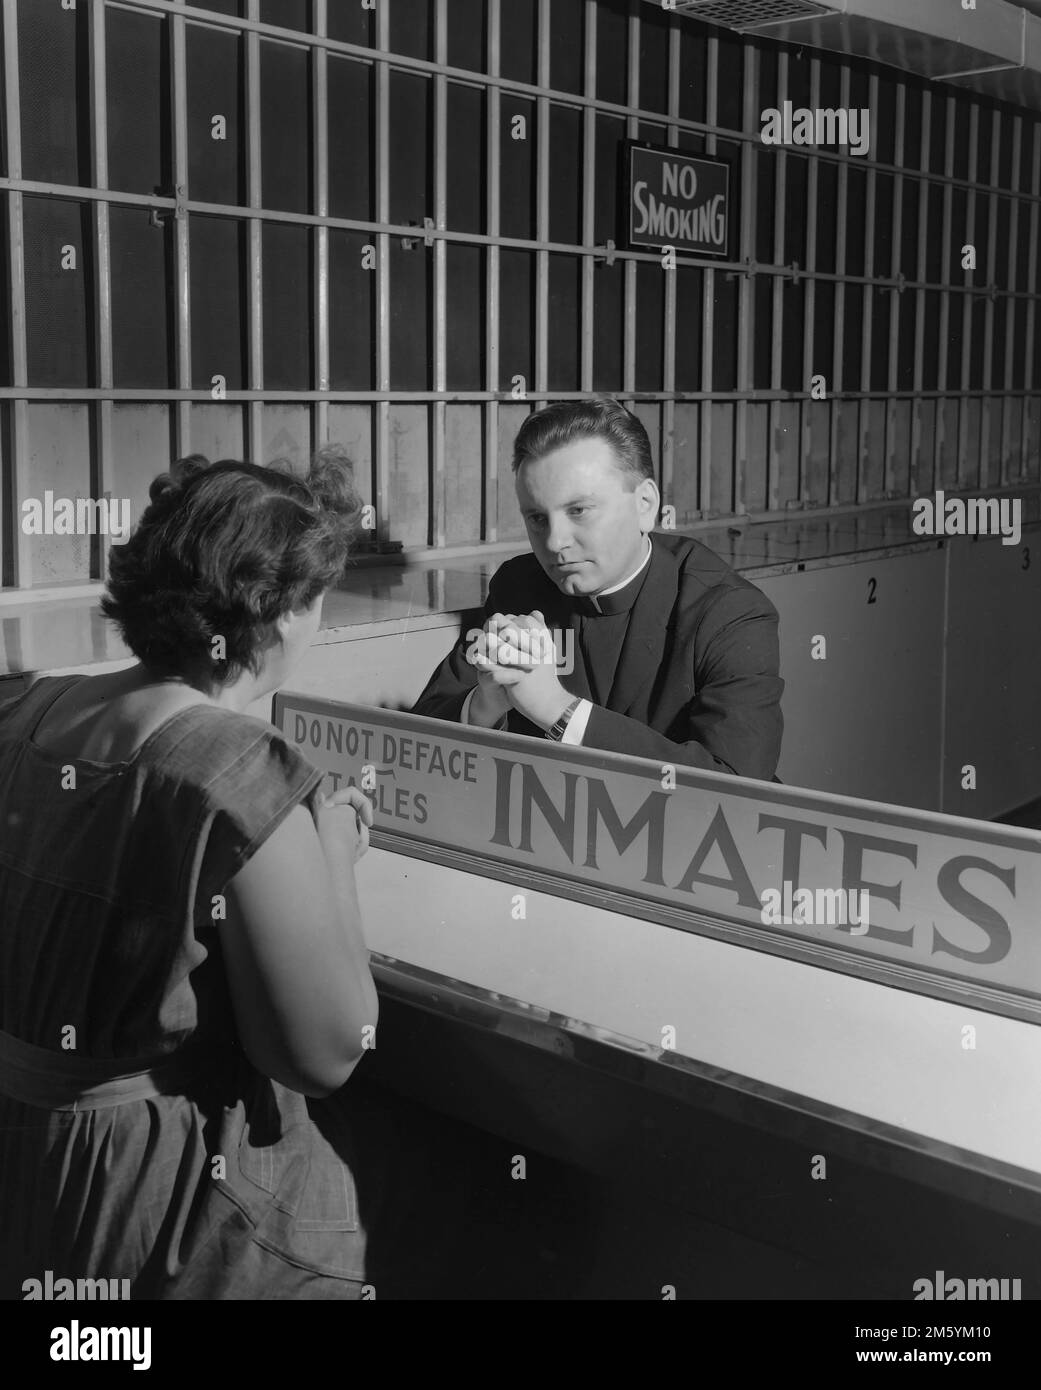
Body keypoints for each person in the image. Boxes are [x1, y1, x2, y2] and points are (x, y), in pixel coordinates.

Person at [0, 450, 382, 1300]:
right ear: (279, 615)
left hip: (30, 1171)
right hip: (159, 1201)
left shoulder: (24, 707)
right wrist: (331, 849)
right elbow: (326, 1053)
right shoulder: (238, 764)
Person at [413, 396, 784, 780]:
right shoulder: (519, 584)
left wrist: (558, 709)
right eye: (537, 518)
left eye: (578, 511)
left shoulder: (729, 610)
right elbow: (421, 730)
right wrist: (483, 705)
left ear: (645, 504)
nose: (555, 542)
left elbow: (739, 784)